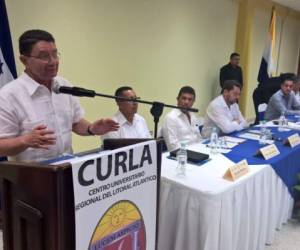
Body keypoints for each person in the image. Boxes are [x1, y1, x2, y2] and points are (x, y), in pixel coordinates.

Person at [0, 29, 119, 162]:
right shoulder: (9, 95)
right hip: (31, 176)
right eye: (44, 56)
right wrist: (25, 141)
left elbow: (75, 122)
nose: (53, 62)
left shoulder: (63, 85)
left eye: (55, 54)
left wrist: (91, 129)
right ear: (24, 60)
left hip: (67, 169)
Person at [162, 86, 202, 151]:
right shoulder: (171, 118)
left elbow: (199, 138)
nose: (186, 102)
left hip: (197, 152)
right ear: (178, 99)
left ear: (193, 101)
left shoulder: (192, 115)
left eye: (190, 99)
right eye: (184, 98)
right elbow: (173, 148)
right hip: (181, 156)